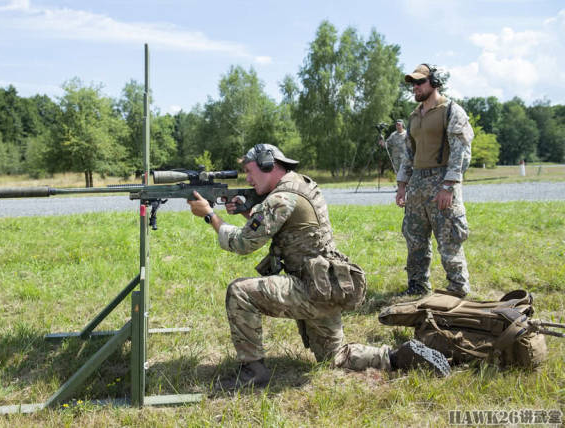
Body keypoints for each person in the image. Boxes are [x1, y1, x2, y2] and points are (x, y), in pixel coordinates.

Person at [188, 143, 450, 389]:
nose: (247, 178)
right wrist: (250, 213)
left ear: (268, 165)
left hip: (310, 287)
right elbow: (285, 229)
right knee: (335, 357)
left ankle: (253, 372)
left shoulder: (281, 197)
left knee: (239, 292)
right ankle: (398, 357)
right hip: (326, 285)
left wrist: (210, 215)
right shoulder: (299, 185)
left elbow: (243, 244)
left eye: (249, 171)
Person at [396, 64, 474, 297]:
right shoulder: (414, 116)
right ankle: (417, 287)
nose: (415, 88)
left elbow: (461, 152)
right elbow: (409, 153)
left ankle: (457, 290)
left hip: (442, 182)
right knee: (415, 240)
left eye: (420, 82)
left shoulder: (451, 111)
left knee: (449, 240)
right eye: (413, 84)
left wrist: (448, 186)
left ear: (434, 82)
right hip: (418, 185)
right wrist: (402, 185)